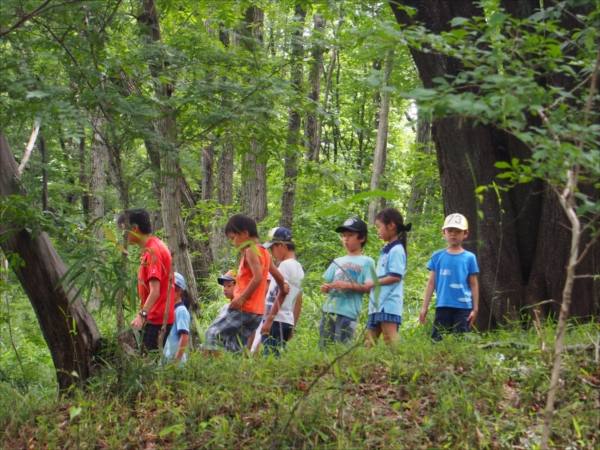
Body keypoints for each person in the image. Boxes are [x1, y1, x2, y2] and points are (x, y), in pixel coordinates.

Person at [204, 214, 287, 355]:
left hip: (244, 308)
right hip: (257, 312)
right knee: (235, 346)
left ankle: (209, 371)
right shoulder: (264, 252)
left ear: (245, 234)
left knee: (212, 333)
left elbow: (258, 277)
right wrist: (283, 288)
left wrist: (242, 298)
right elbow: (276, 275)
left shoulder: (250, 250)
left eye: (233, 238)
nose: (233, 243)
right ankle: (233, 373)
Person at [118, 208, 175, 353]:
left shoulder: (153, 251)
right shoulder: (154, 246)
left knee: (147, 362)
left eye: (124, 229)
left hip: (155, 319)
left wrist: (142, 315)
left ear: (135, 228)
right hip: (157, 316)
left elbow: (155, 291)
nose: (122, 234)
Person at [419, 213, 479, 341]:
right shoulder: (437, 255)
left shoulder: (470, 257)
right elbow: (431, 282)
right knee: (437, 338)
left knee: (461, 339)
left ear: (465, 234)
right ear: (443, 232)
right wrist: (424, 307)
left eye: (458, 231)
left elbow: (473, 284)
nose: (453, 234)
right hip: (443, 304)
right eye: (450, 230)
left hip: (463, 307)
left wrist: (475, 308)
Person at [319, 217, 375, 347]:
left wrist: (347, 285)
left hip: (348, 312)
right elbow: (329, 283)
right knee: (323, 347)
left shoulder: (367, 262)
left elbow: (369, 288)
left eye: (350, 235)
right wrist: (326, 287)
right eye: (344, 235)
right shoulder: (337, 260)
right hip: (329, 309)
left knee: (342, 347)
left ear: (361, 238)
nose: (346, 239)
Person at [364, 208, 410, 347]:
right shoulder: (386, 250)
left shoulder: (396, 250)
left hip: (388, 304)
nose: (378, 231)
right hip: (377, 303)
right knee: (368, 342)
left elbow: (396, 276)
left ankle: (396, 367)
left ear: (391, 225)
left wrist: (374, 282)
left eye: (379, 227)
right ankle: (363, 366)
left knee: (390, 343)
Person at [261, 227, 304, 356]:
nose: (272, 253)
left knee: (269, 359)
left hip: (275, 321)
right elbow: (299, 300)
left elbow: (281, 293)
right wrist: (293, 326)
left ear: (282, 245)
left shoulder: (285, 266)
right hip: (285, 321)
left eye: (272, 248)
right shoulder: (299, 268)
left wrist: (269, 320)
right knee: (276, 357)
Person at [164, 273, 191, 364]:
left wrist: (176, 361)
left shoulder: (181, 311)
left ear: (179, 290)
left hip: (174, 363)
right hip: (166, 360)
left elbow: (184, 336)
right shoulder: (172, 309)